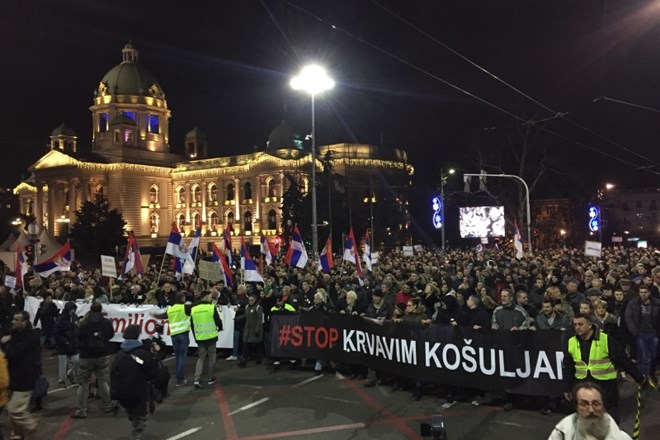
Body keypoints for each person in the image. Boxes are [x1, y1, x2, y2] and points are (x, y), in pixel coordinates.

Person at [564, 313, 643, 424]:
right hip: (583, 384)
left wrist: (638, 377)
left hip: (606, 386)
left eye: (580, 324)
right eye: (575, 324)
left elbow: (623, 359)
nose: (577, 327)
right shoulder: (571, 342)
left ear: (590, 325)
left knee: (610, 418)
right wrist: (567, 387)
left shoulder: (605, 340)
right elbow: (568, 366)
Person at [111, 325, 160, 440]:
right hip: (140, 390)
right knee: (142, 413)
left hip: (123, 391)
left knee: (132, 411)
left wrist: (114, 395)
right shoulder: (143, 354)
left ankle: (135, 423)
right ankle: (138, 431)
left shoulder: (119, 355)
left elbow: (114, 375)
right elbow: (154, 373)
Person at [74, 302, 116, 418]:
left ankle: (81, 410)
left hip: (86, 356)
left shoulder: (85, 324)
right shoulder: (106, 323)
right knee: (102, 380)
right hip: (103, 355)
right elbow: (111, 335)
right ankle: (108, 404)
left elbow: (79, 338)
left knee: (83, 383)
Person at [1, 311, 40, 440]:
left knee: (15, 409)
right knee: (11, 410)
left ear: (24, 322)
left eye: (17, 320)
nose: (13, 321)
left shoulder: (30, 337)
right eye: (13, 319)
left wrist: (6, 343)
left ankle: (32, 427)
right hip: (13, 378)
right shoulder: (15, 334)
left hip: (24, 380)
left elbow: (13, 353)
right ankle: (18, 434)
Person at [548, 382, 632, 440]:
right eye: (584, 404)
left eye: (596, 404)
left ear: (603, 407)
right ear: (576, 407)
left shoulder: (622, 438)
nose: (591, 410)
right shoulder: (561, 434)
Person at [624, 285, 660, 387]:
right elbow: (628, 317)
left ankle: (651, 373)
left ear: (649, 293)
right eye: (641, 292)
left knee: (653, 355)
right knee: (643, 357)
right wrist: (634, 331)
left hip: (653, 333)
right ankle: (643, 378)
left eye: (645, 292)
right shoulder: (633, 303)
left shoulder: (656, 303)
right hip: (640, 333)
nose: (643, 294)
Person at [153, 292, 190, 386]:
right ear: (182, 298)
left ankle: (179, 377)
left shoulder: (170, 309)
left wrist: (153, 314)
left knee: (177, 357)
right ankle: (179, 379)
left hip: (174, 335)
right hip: (183, 335)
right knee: (182, 357)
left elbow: (161, 316)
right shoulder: (185, 307)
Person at [190, 293, 223, 388]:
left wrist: (195, 337)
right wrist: (220, 328)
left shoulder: (194, 309)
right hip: (211, 336)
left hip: (200, 337)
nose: (211, 298)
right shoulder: (211, 308)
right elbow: (218, 321)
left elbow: (192, 325)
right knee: (212, 357)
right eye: (210, 297)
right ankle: (210, 377)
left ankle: (197, 379)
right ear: (206, 297)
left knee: (201, 358)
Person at [52, 301, 79, 387]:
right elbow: (56, 333)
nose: (73, 311)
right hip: (63, 346)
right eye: (72, 309)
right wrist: (64, 341)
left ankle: (70, 373)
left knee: (76, 361)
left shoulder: (75, 318)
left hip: (74, 345)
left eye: (74, 309)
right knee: (63, 365)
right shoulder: (60, 319)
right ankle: (61, 380)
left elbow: (77, 330)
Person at [239, 292, 264, 368]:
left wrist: (257, 330)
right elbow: (245, 316)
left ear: (255, 300)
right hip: (248, 329)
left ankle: (259, 358)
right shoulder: (247, 307)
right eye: (249, 300)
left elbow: (260, 319)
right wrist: (237, 318)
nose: (250, 301)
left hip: (255, 329)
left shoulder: (258, 308)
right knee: (246, 345)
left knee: (256, 345)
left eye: (252, 300)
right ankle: (244, 360)